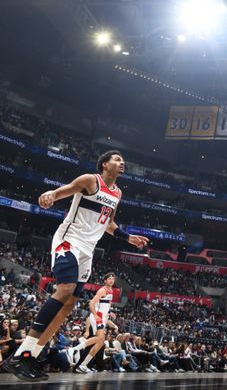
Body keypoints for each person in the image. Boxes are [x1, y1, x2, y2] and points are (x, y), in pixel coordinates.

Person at [1, 150, 148, 381]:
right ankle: (22, 353)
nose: (122, 163)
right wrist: (50, 194)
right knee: (66, 288)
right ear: (104, 164)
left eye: (122, 160)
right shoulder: (90, 180)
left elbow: (108, 223)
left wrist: (128, 237)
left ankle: (31, 356)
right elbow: (63, 191)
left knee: (69, 305)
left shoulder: (117, 193)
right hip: (69, 241)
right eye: (117, 159)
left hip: (87, 251)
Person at [72, 273, 118, 373]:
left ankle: (83, 365)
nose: (111, 280)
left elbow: (104, 305)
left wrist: (109, 314)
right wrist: (96, 315)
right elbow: (91, 303)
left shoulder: (111, 291)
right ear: (105, 280)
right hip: (98, 316)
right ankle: (74, 350)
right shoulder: (102, 290)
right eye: (109, 279)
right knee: (100, 338)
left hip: (103, 317)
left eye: (112, 279)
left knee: (100, 342)